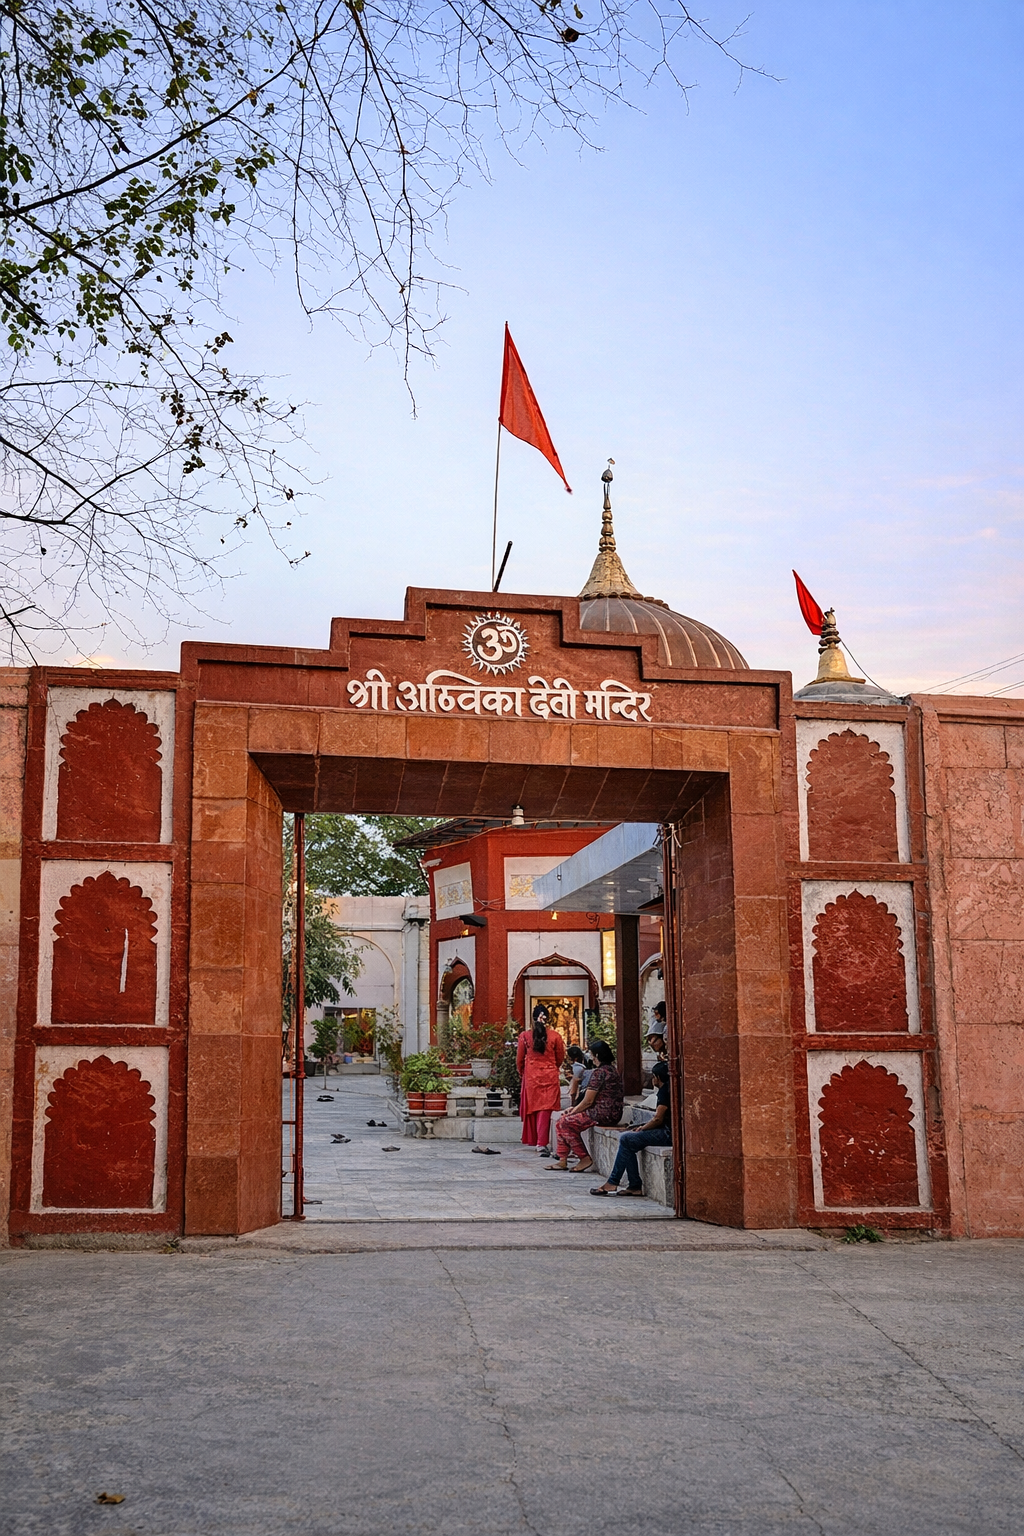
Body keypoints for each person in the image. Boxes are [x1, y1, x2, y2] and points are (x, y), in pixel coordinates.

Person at [590, 1059, 672, 1197]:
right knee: (627, 1141)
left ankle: (615, 1182)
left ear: (657, 1078)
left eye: (653, 1076)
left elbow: (658, 1118)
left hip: (668, 1134)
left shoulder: (664, 1091)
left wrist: (643, 1128)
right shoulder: (670, 1089)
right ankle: (632, 1185)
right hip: (668, 1131)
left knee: (627, 1139)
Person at [545, 1039, 624, 1174]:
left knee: (564, 1122)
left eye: (592, 1054)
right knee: (561, 1121)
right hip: (611, 1112)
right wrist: (573, 1110)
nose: (591, 1057)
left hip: (602, 1113)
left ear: (597, 1056)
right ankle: (562, 1159)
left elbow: (588, 1101)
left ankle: (584, 1157)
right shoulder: (613, 1071)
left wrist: (573, 1111)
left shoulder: (599, 1073)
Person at [517, 1003, 565, 1156]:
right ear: (548, 1019)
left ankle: (539, 1141)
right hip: (550, 1075)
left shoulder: (524, 1036)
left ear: (532, 1019)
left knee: (535, 1109)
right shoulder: (555, 1036)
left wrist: (523, 1072)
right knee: (545, 1109)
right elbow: (560, 1057)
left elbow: (519, 1059)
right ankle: (541, 1142)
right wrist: (552, 1066)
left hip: (531, 1076)